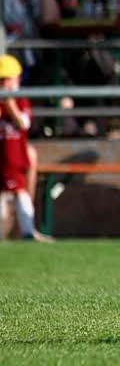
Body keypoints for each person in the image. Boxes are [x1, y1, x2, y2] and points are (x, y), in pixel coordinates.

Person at [0, 55, 48, 241]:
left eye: (8, 79)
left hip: (14, 156)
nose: (5, 84)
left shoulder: (20, 101)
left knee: (20, 192)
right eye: (1, 80)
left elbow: (23, 124)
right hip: (1, 157)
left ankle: (28, 231)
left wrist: (10, 105)